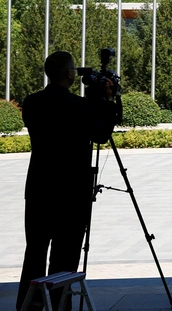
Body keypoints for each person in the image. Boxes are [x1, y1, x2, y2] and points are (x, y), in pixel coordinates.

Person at [16, 51, 117, 311]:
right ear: (70, 74)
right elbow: (102, 134)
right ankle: (60, 306)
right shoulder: (79, 106)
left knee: (35, 252)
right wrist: (105, 100)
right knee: (65, 256)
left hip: (39, 188)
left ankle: (28, 305)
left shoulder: (31, 102)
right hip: (72, 191)